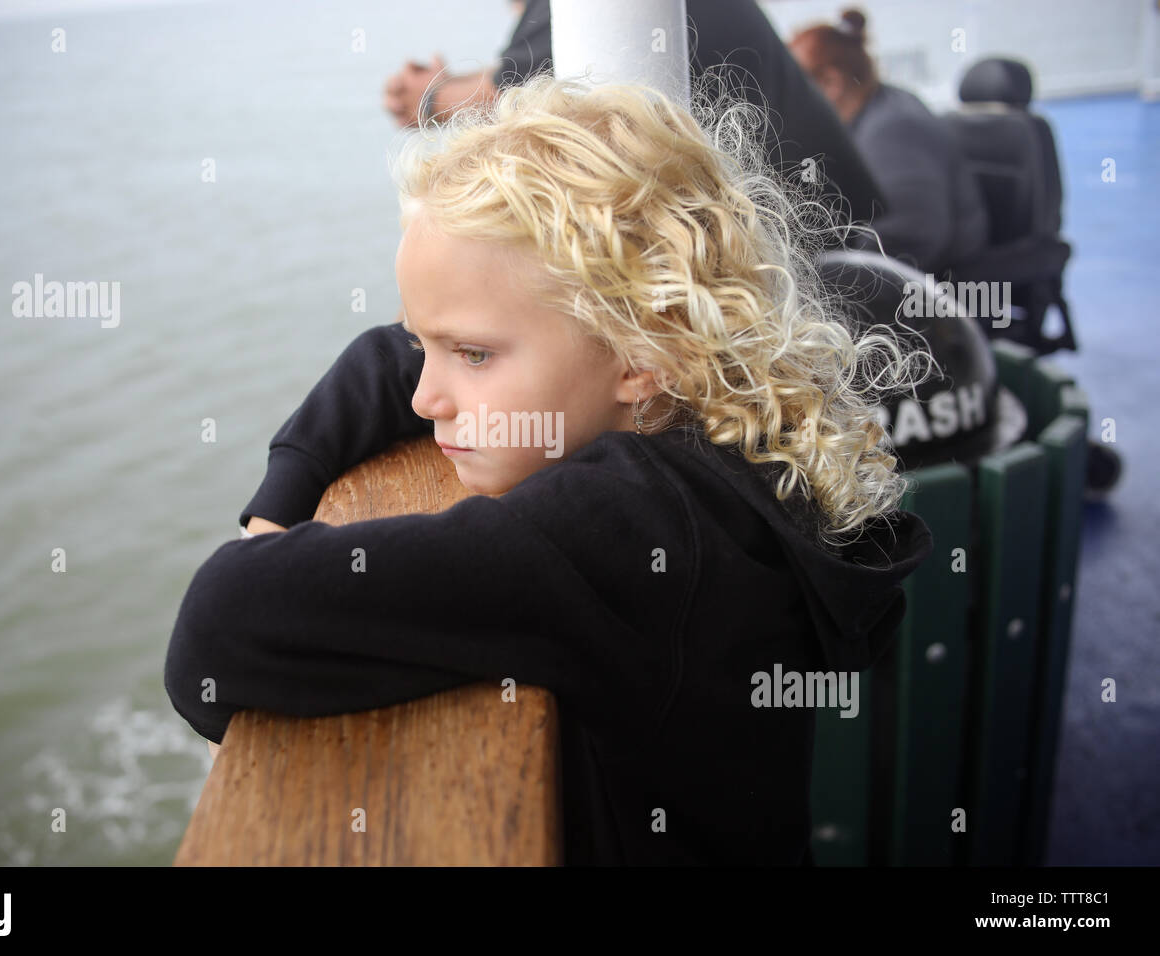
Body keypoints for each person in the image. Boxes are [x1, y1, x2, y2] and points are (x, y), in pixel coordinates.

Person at [165, 74, 935, 865]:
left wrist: (263, 542)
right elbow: (388, 355)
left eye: (470, 356)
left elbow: (220, 628)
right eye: (432, 347)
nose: (429, 397)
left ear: (643, 352)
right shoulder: (716, 430)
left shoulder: (634, 530)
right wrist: (282, 498)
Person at [383, 0, 888, 230]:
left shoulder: (582, 10)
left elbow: (491, 97)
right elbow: (532, 68)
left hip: (818, 258)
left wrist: (424, 96)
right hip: (848, 230)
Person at [789, 8, 990, 275]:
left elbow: (909, 236)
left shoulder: (895, 130)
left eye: (797, 87)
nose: (792, 101)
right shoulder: (874, 113)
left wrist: (823, 284)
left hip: (934, 301)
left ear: (831, 83)